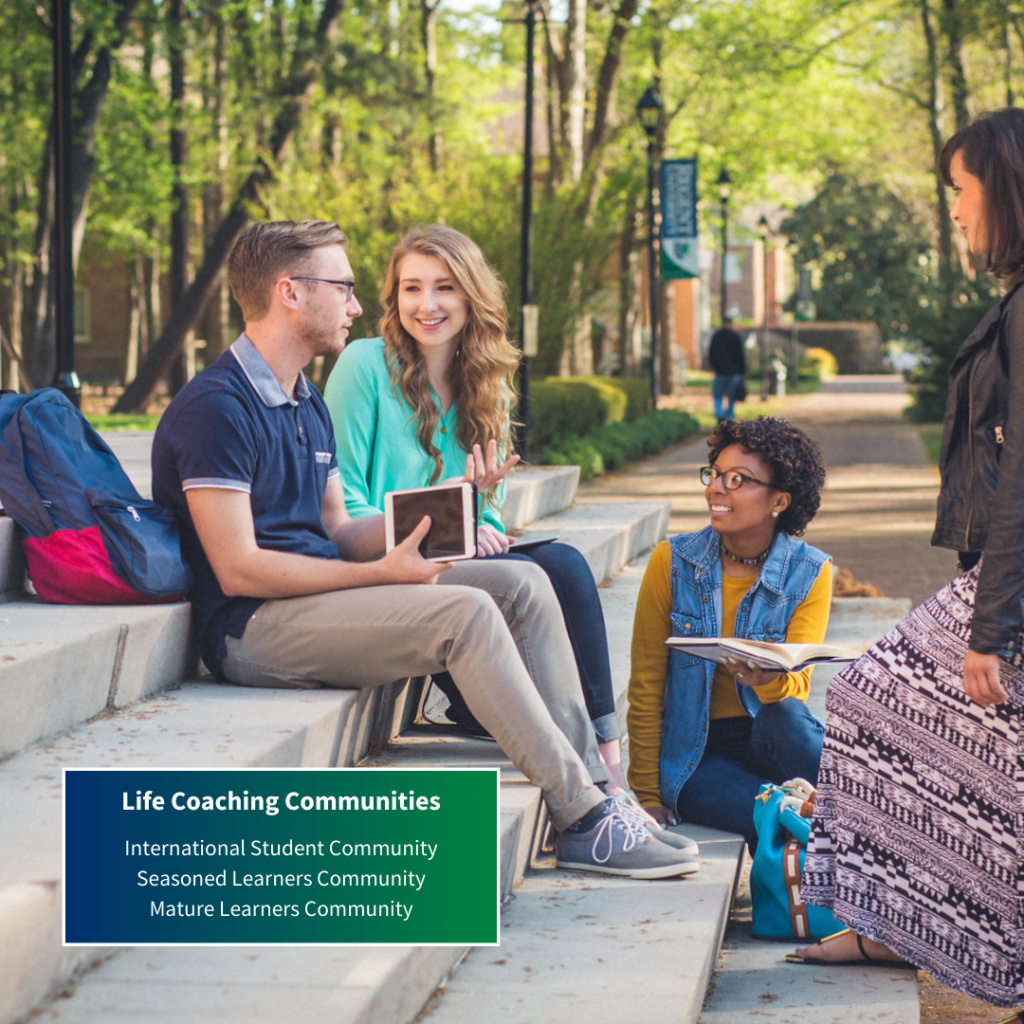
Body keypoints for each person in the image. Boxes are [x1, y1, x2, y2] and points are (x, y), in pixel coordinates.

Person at [150, 218, 698, 881]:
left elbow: (341, 532)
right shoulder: (217, 408)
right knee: (463, 613)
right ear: (289, 292)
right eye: (343, 288)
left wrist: (450, 502)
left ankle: (602, 791)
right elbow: (237, 570)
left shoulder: (303, 403)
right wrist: (382, 575)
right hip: (251, 629)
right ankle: (579, 816)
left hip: (313, 595)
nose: (357, 305)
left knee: (523, 583)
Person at [322, 225, 683, 847]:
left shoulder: (487, 381)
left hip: (452, 558)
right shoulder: (361, 366)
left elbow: (486, 513)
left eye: (444, 288)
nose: (426, 305)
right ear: (393, 296)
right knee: (539, 576)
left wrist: (477, 516)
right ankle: (602, 787)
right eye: (411, 288)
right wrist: (458, 513)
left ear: (471, 297)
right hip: (393, 562)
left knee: (565, 565)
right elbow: (346, 505)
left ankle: (609, 767)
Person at [793, 107, 1024, 1014]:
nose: (956, 212)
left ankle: (921, 927)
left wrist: (988, 627)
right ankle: (916, 924)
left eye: (961, 191)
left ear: (1003, 187)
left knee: (864, 699)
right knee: (977, 771)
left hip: (1007, 594)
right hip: (997, 583)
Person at [627, 416, 831, 849]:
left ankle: (860, 812)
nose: (715, 489)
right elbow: (646, 685)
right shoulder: (672, 562)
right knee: (775, 818)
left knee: (789, 717)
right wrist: (645, 793)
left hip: (769, 736)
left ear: (779, 500)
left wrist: (771, 680)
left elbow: (797, 687)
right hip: (698, 758)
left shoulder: (811, 571)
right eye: (715, 474)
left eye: (737, 479)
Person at [708, 316, 746, 421]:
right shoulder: (735, 337)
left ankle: (720, 414)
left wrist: (715, 366)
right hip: (733, 372)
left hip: (720, 372)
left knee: (717, 395)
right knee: (731, 396)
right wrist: (742, 370)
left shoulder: (716, 336)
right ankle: (729, 417)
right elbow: (740, 355)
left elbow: (711, 354)